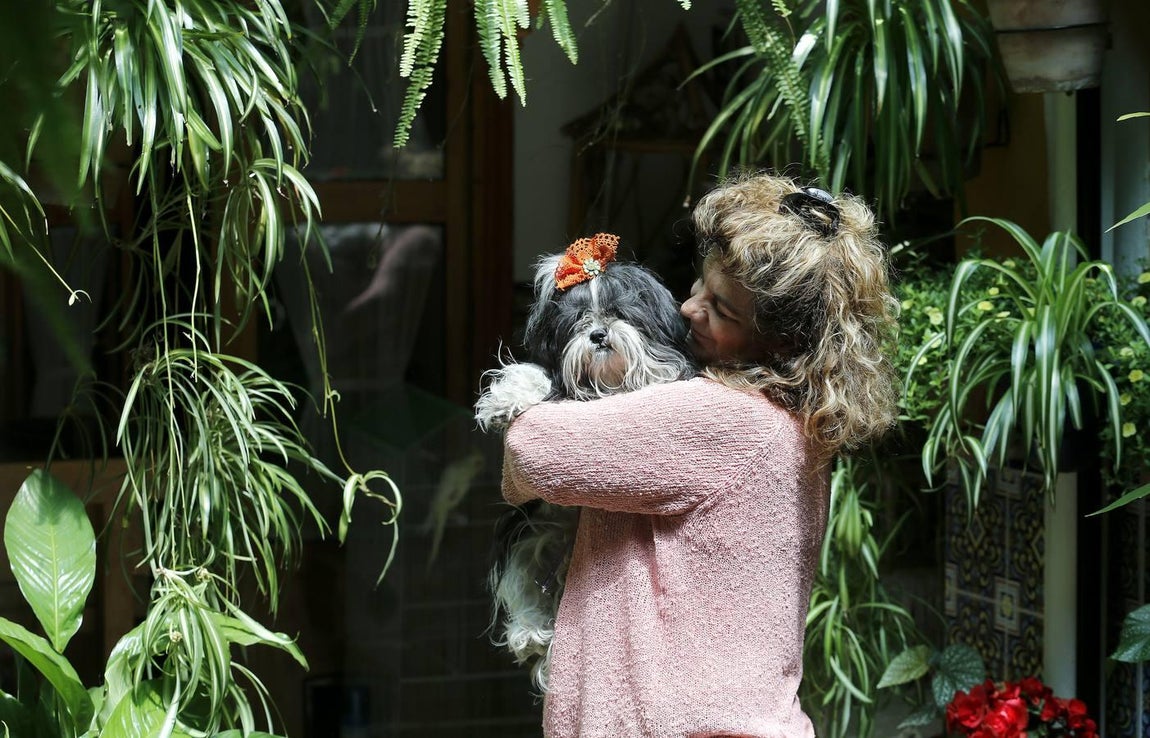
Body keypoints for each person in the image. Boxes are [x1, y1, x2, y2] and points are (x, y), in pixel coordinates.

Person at [498, 171, 900, 738]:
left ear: (783, 342)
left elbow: (534, 452)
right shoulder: (788, 420)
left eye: (723, 311)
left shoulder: (723, 420)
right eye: (699, 287)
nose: (689, 310)